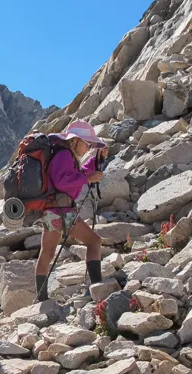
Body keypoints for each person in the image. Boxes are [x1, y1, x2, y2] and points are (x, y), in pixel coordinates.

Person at [35, 121, 109, 302]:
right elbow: (62, 181)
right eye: (87, 143)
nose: (88, 147)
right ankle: (97, 287)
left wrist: (95, 161)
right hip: (63, 211)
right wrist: (88, 178)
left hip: (52, 211)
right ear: (75, 141)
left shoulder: (63, 154)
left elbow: (76, 174)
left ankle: (42, 299)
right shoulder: (64, 155)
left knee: (47, 252)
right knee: (94, 241)